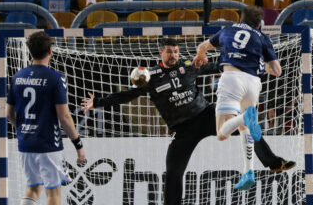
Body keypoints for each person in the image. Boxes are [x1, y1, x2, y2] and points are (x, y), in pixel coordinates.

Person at [81, 37, 294, 205]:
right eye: (169, 51)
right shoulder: (150, 76)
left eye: (175, 51)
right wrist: (98, 102)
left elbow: (220, 66)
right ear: (160, 52)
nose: (173, 55)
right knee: (173, 172)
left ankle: (273, 162)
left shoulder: (189, 66)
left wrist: (249, 65)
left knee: (245, 125)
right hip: (182, 129)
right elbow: (127, 95)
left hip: (205, 115)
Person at [192, 5, 290, 190]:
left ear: (240, 19)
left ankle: (245, 117)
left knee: (222, 133)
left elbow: (203, 46)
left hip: (231, 78)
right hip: (253, 83)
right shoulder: (262, 38)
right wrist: (266, 67)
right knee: (245, 128)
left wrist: (200, 57)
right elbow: (277, 71)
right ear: (259, 24)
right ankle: (248, 171)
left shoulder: (227, 30)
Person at [6, 31, 86, 205]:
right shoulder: (56, 79)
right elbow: (64, 117)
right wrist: (78, 145)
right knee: (53, 193)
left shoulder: (17, 77)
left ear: (30, 51)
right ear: (50, 50)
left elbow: (8, 114)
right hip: (48, 144)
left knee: (33, 188)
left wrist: (23, 130)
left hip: (26, 143)